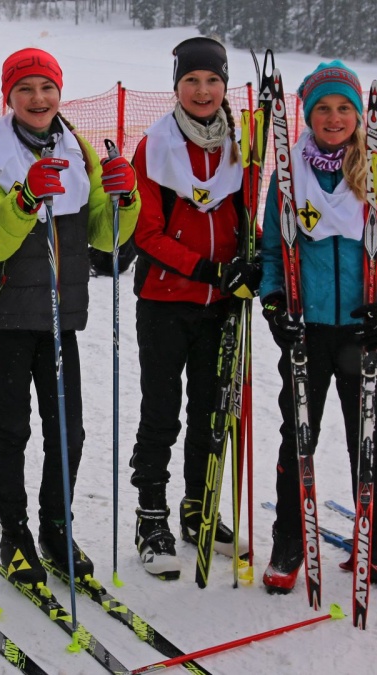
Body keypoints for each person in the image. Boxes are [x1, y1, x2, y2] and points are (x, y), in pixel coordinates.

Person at [257, 61, 377, 595]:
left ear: (359, 115)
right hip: (307, 331)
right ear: (308, 115)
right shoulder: (288, 175)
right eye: (323, 109)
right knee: (298, 437)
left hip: (363, 330)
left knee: (370, 439)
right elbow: (273, 252)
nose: (334, 118)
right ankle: (289, 539)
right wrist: (274, 302)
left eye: (344, 108)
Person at [0, 47, 139, 585]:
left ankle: (55, 526)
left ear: (59, 93)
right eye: (25, 89)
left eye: (46, 88)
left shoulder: (79, 149)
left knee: (69, 431)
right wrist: (23, 199)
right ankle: (15, 532)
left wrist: (125, 196)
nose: (37, 98)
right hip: (6, 316)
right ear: (9, 96)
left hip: (62, 316)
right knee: (12, 428)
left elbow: (104, 236)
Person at [127, 37, 260, 578]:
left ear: (224, 86)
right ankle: (151, 516)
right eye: (192, 81)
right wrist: (206, 269)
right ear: (177, 86)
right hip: (165, 301)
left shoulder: (242, 145)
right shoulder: (154, 145)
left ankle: (198, 507)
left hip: (222, 306)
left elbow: (249, 217)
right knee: (161, 413)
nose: (203, 91)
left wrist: (252, 261)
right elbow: (147, 233)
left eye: (212, 81)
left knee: (212, 412)